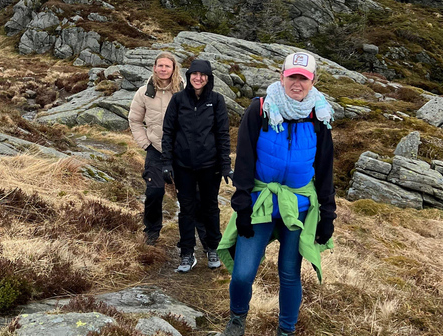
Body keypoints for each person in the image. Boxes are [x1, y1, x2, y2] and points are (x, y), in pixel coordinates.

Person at [218, 52, 336, 336]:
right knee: (244, 271)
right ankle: (237, 319)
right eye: (292, 76)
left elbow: (324, 168)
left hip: (298, 206)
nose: (297, 83)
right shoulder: (260, 109)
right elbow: (244, 159)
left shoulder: (319, 116)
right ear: (281, 76)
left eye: (303, 78)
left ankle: (286, 330)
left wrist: (328, 216)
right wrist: (242, 203)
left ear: (312, 81)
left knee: (289, 273)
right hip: (260, 201)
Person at [160, 58, 232, 272]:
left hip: (211, 167)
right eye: (194, 74)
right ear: (188, 76)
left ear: (208, 78)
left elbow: (222, 135)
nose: (198, 78)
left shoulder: (217, 101)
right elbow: (168, 133)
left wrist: (225, 165)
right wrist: (167, 163)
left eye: (203, 75)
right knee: (187, 210)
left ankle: (213, 249)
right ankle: (186, 253)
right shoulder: (178, 100)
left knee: (210, 208)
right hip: (184, 167)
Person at [128, 51, 185, 246]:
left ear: (173, 69)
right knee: (154, 192)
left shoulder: (182, 91)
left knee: (188, 194)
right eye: (160, 65)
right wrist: (145, 143)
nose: (163, 69)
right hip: (156, 150)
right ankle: (151, 232)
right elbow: (134, 120)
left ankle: (191, 236)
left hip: (181, 151)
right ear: (154, 68)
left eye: (167, 66)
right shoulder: (144, 92)